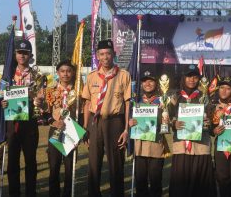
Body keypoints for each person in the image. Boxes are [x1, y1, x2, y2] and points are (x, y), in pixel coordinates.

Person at [82, 39, 131, 197]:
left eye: (108, 53)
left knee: (116, 164)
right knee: (94, 164)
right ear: (97, 56)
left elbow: (128, 103)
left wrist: (125, 129)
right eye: (102, 54)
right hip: (95, 122)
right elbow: (87, 102)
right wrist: (85, 128)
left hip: (115, 121)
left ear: (113, 55)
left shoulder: (123, 75)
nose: (105, 57)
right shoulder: (91, 77)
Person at [0, 39, 44, 197]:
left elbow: (41, 98)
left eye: (25, 53)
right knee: (12, 162)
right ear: (15, 54)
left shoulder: (36, 75)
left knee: (30, 161)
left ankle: (31, 193)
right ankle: (14, 193)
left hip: (29, 122)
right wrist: (3, 102)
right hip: (12, 122)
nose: (22, 56)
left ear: (30, 55)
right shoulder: (8, 74)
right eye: (19, 52)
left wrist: (38, 100)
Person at [169, 64, 216, 197]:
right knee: (181, 184)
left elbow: (213, 120)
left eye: (195, 77)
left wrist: (209, 122)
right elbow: (167, 118)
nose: (192, 80)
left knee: (200, 184)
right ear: (184, 78)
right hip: (181, 146)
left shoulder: (204, 97)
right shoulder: (175, 97)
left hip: (200, 146)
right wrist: (174, 123)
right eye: (189, 77)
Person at [128, 70, 170, 197]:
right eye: (145, 81)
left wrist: (166, 119)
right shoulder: (136, 102)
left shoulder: (163, 101)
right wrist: (130, 122)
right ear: (141, 84)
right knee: (140, 181)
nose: (148, 83)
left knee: (155, 180)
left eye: (151, 81)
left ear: (156, 84)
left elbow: (168, 126)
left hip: (156, 146)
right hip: (140, 147)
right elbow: (128, 121)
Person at [44, 60, 78, 197]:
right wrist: (53, 121)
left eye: (68, 71)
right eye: (62, 71)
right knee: (54, 165)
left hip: (72, 130)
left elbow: (82, 112)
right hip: (56, 129)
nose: (65, 74)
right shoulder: (51, 89)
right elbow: (45, 112)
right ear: (58, 73)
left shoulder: (78, 90)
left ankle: (68, 193)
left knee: (70, 166)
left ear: (73, 73)